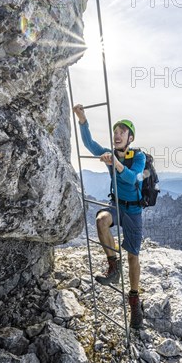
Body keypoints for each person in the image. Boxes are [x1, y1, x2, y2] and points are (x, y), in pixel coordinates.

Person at [73, 104, 146, 329]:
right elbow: (89, 144)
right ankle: (113, 267)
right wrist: (83, 120)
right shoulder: (110, 153)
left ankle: (134, 301)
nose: (117, 134)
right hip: (116, 205)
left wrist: (115, 164)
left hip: (133, 210)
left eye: (122, 132)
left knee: (133, 256)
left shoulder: (139, 156)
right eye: (115, 131)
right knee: (100, 220)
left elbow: (133, 179)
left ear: (130, 137)